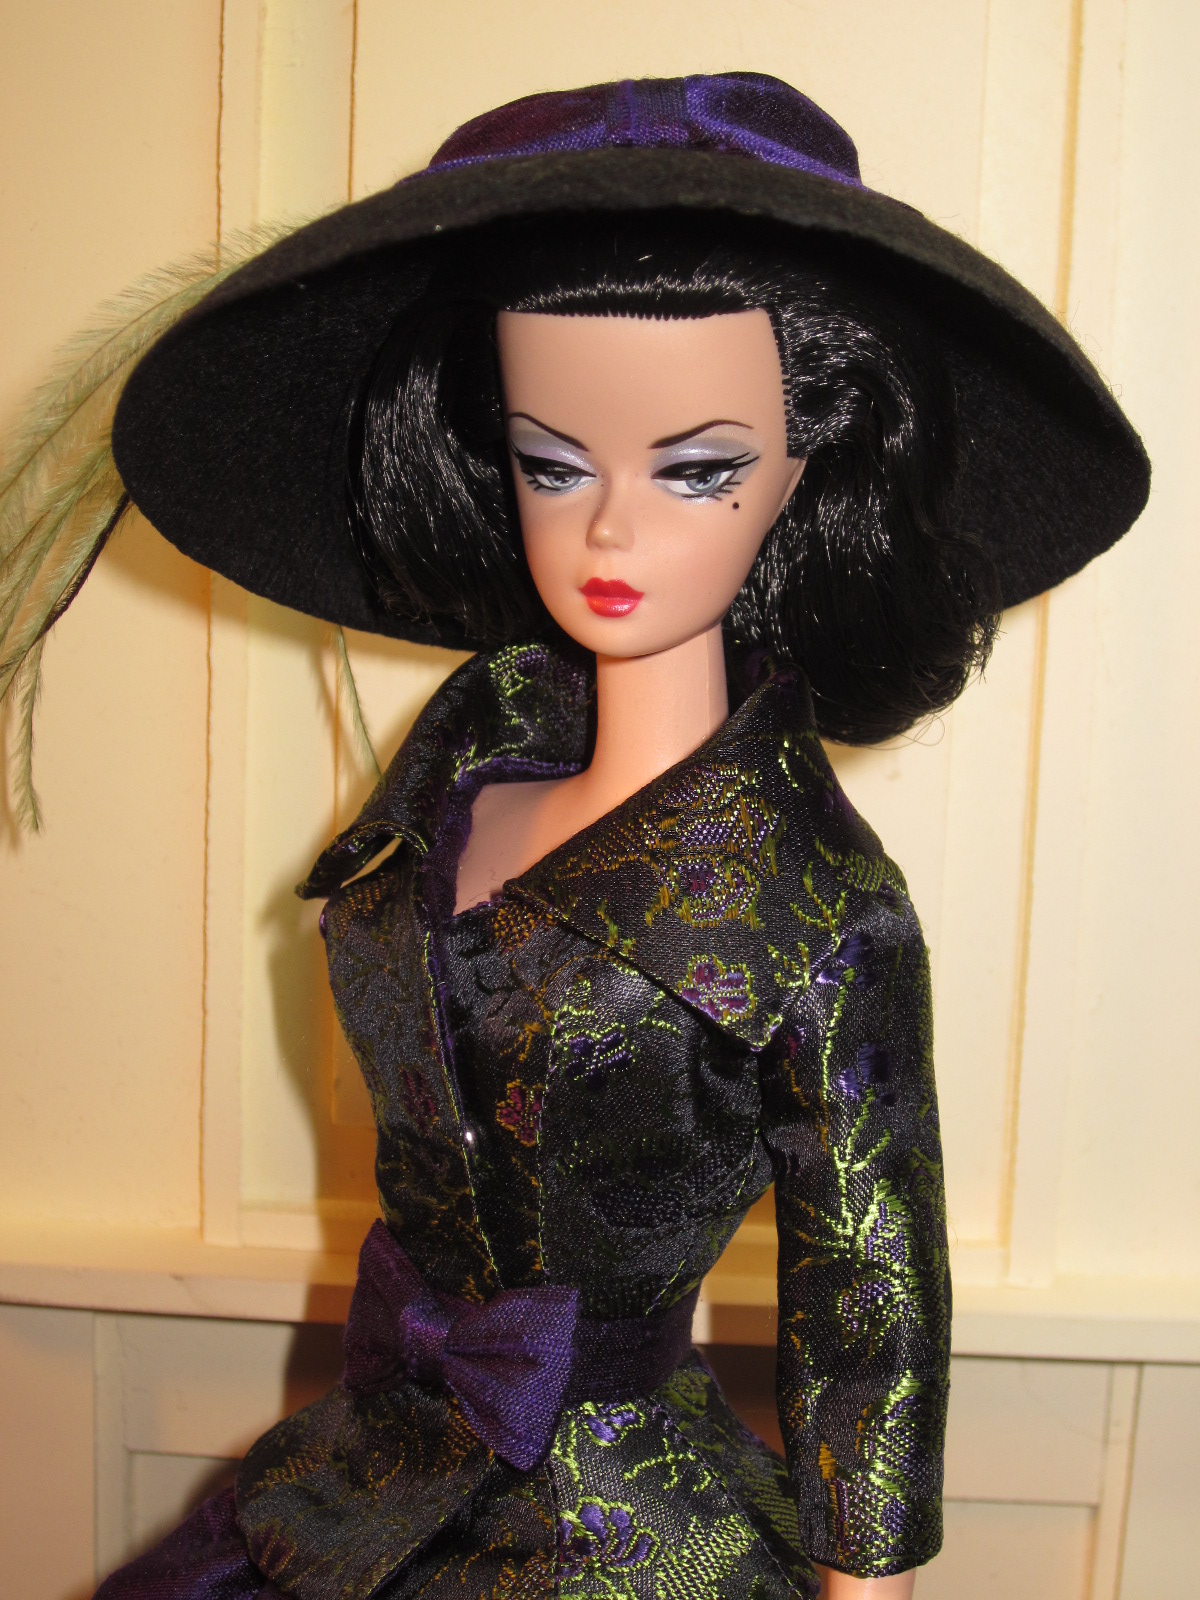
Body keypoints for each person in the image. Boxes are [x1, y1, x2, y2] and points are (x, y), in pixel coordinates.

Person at [0, 74, 1147, 1600]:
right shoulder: (449, 798)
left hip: (621, 1537)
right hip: (365, 1491)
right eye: (554, 463)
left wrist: (867, 1581)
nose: (609, 530)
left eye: (697, 467)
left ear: (806, 468)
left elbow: (871, 1296)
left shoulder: (813, 911)